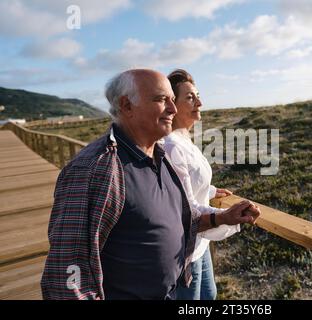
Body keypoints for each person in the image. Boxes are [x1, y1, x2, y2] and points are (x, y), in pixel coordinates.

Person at [40, 69, 260, 300]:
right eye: (161, 99)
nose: (173, 109)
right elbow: (66, 274)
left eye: (173, 101)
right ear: (126, 106)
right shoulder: (93, 169)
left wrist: (223, 217)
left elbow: (176, 219)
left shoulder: (160, 157)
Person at [163, 69, 236, 300]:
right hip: (183, 251)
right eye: (190, 98)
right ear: (172, 104)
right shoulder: (170, 146)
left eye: (198, 95)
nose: (200, 102)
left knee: (210, 296)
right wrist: (227, 215)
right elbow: (185, 207)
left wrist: (212, 191)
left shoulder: (184, 139)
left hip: (200, 244)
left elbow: (186, 183)